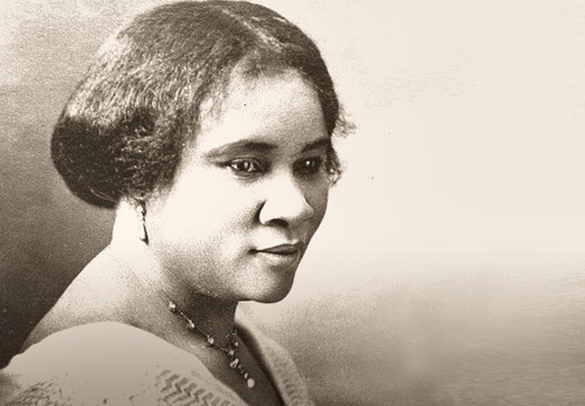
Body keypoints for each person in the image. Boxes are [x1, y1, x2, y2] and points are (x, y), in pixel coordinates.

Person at [0, 1, 349, 405]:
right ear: (139, 168)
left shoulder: (245, 343)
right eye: (246, 165)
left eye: (309, 163)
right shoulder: (89, 383)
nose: (297, 207)